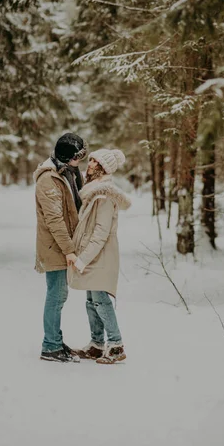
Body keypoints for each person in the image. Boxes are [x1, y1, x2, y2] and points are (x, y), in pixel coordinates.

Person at [68, 148, 131, 364]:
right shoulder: (92, 191)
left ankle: (115, 345)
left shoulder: (104, 195)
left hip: (101, 254)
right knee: (91, 300)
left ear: (103, 168)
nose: (90, 163)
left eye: (95, 161)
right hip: (93, 253)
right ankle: (96, 344)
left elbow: (101, 232)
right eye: (91, 159)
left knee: (101, 300)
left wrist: (83, 258)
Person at [34, 132, 87, 363]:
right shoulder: (49, 179)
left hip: (64, 243)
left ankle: (55, 340)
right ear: (67, 156)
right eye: (79, 155)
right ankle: (50, 346)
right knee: (56, 295)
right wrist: (69, 250)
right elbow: (54, 219)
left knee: (59, 294)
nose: (82, 159)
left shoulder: (68, 172)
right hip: (55, 245)